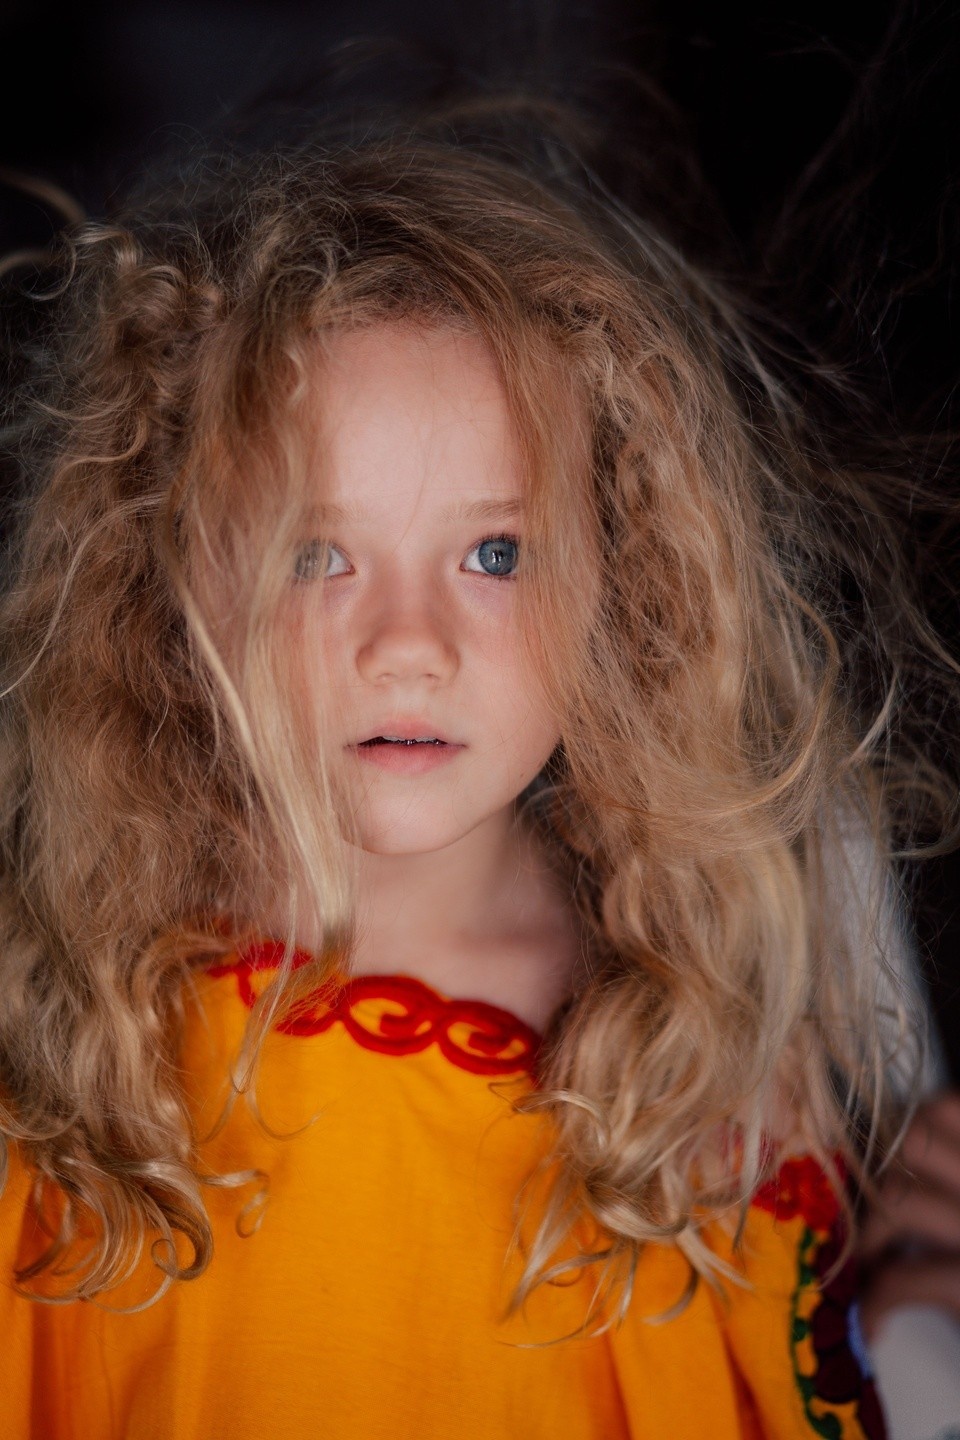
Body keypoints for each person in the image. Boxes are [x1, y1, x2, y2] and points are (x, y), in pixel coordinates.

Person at [0, 90, 956, 1439]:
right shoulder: (64, 1044)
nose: (409, 645)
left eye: (496, 554)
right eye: (316, 554)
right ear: (163, 572)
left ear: (625, 574)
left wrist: (912, 1328)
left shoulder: (717, 1039)